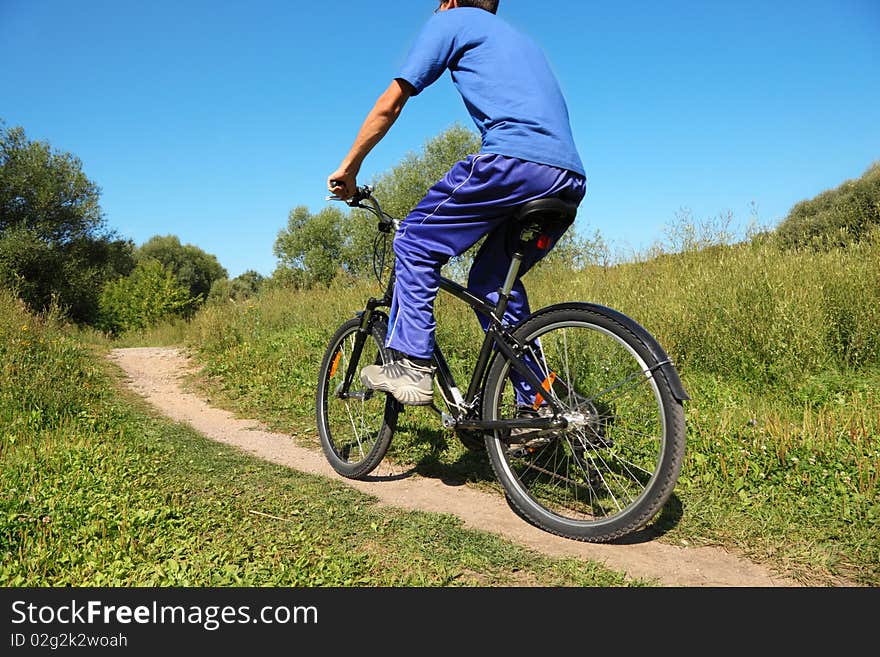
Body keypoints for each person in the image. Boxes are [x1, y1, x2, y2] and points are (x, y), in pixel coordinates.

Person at [327, 0, 586, 407]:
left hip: (512, 163)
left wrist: (349, 167)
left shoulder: (453, 20)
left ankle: (412, 364)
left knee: (413, 239)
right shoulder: (522, 42)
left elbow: (391, 102)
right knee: (490, 283)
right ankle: (536, 400)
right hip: (567, 177)